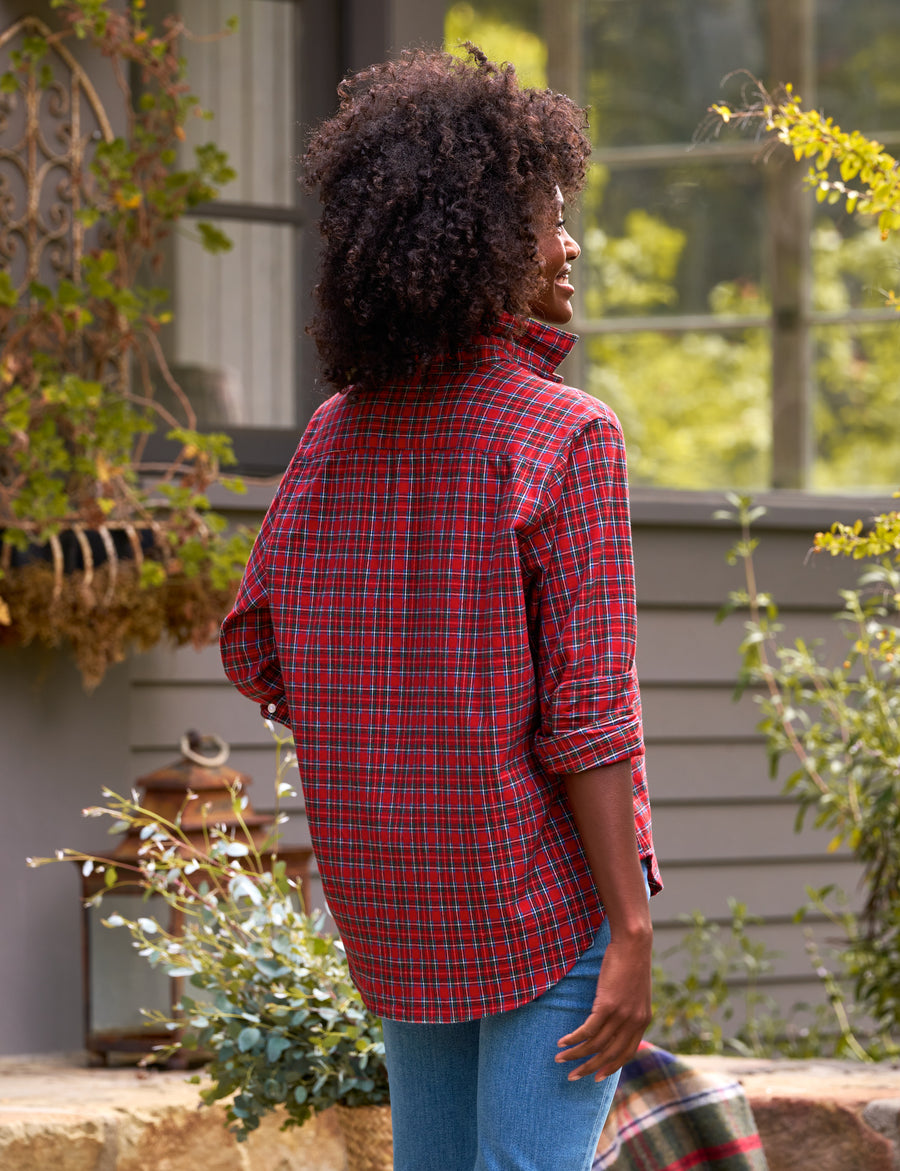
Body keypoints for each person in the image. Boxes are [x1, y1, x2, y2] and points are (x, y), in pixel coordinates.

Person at [220, 45, 661, 1171]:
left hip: (399, 908)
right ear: (474, 241)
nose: (570, 244)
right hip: (534, 901)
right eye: (546, 219)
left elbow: (261, 644)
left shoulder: (331, 436)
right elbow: (593, 720)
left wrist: (389, 733)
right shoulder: (566, 435)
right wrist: (633, 929)